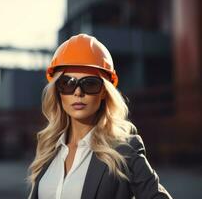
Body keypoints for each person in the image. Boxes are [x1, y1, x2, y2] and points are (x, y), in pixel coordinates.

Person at [27, 34, 173, 199]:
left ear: (104, 91)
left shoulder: (124, 150)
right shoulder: (49, 147)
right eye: (68, 83)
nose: (78, 92)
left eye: (89, 83)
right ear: (57, 91)